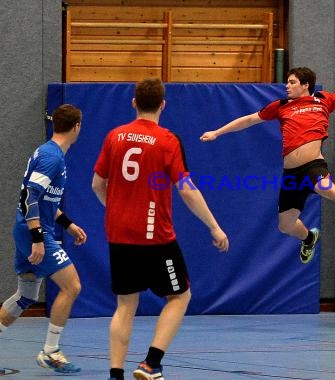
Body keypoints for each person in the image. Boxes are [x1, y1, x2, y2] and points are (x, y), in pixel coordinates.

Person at [92, 78, 229, 380]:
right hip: (155, 236)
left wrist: (116, 210)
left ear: (133, 103)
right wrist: (215, 227)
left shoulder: (114, 136)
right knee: (179, 296)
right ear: (163, 104)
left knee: (125, 305)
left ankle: (116, 374)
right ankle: (151, 363)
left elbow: (97, 184)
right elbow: (187, 190)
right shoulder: (167, 140)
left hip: (118, 234)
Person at [200, 45, 335, 265]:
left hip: (313, 165)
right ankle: (309, 237)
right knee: (286, 225)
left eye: (292, 82)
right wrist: (218, 132)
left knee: (325, 187)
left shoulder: (323, 101)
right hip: (292, 173)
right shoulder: (281, 106)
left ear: (305, 85)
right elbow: (249, 120)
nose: (287, 86)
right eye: (288, 82)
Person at [0, 104, 87, 373]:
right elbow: (29, 198)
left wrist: (68, 224)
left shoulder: (48, 152)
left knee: (25, 296)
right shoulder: (52, 157)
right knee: (72, 286)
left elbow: (45, 199)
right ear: (76, 127)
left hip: (30, 229)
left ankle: (50, 351)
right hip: (34, 233)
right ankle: (51, 351)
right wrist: (38, 238)